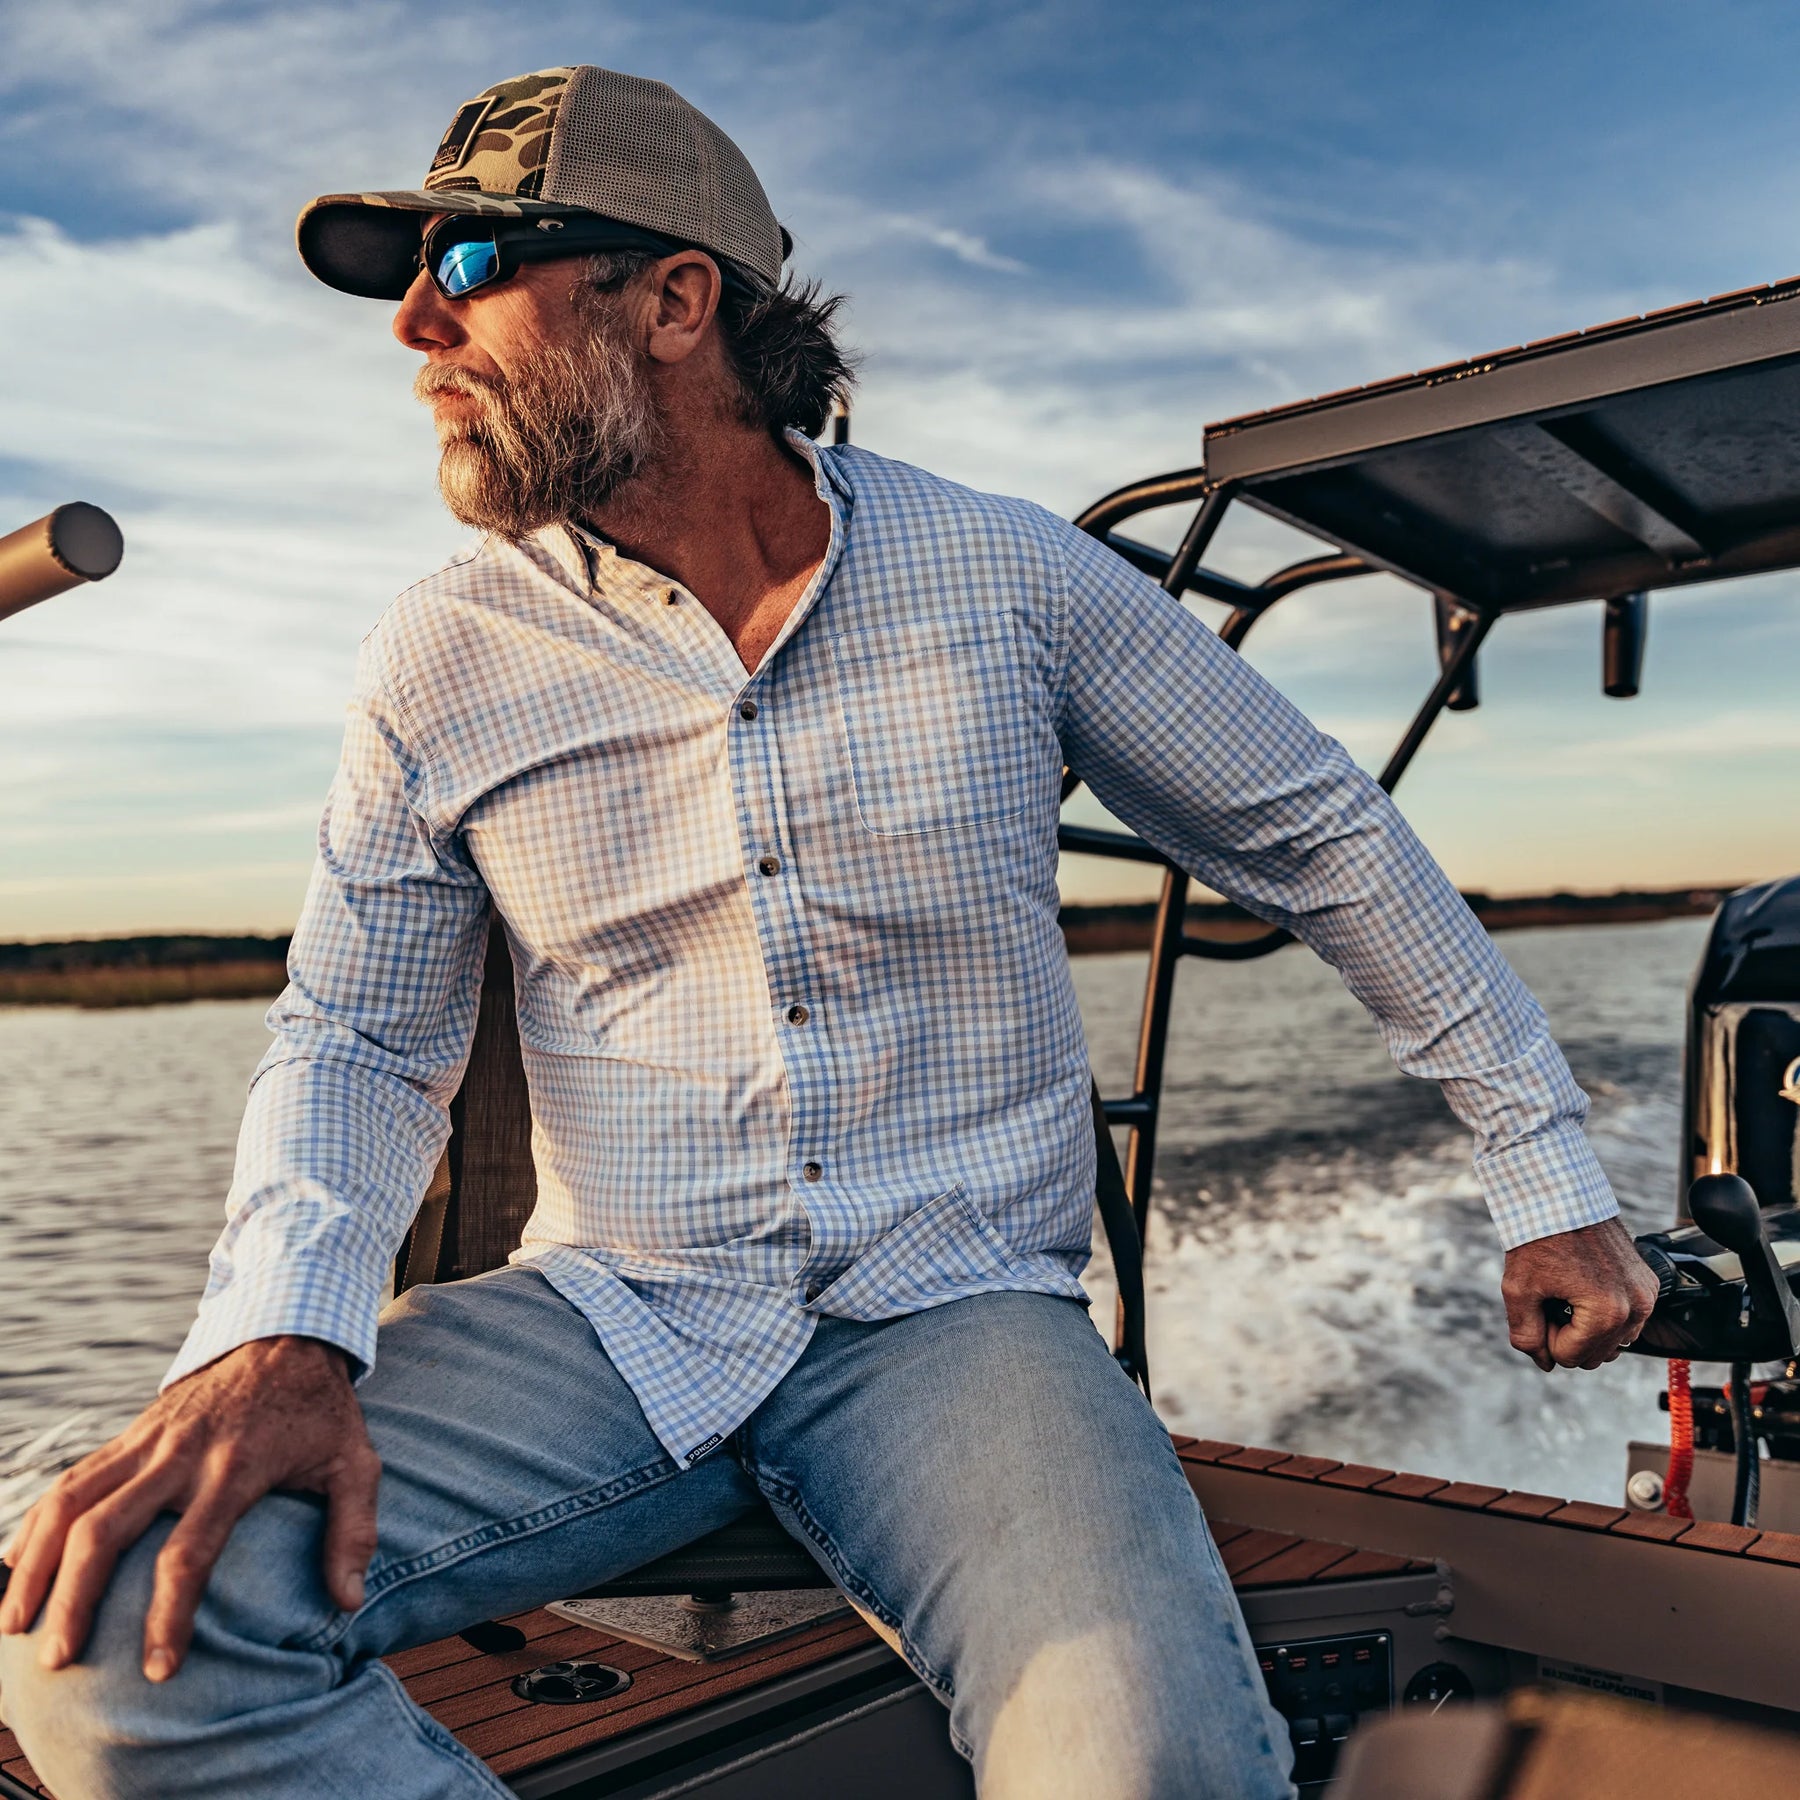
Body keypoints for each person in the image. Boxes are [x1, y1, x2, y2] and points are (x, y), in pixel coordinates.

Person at [0, 64, 1658, 1800]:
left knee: (1151, 1767)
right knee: (110, 1643)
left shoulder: (1011, 578)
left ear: (674, 301)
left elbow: (1325, 839)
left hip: (958, 1321)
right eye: (411, 284)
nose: (418, 327)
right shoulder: (439, 655)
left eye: (474, 266)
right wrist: (277, 1335)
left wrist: (1547, 1179)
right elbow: (357, 1036)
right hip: (614, 1316)